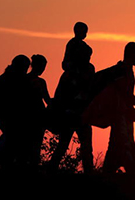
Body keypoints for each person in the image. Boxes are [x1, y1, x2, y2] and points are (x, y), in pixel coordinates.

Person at [86, 42, 135, 173]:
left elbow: (127, 94)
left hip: (124, 118)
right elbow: (126, 94)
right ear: (131, 54)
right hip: (120, 119)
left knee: (115, 156)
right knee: (131, 158)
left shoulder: (126, 71)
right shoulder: (121, 71)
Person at [48, 21, 95, 173]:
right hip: (70, 113)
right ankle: (52, 169)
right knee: (64, 143)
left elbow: (91, 90)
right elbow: (62, 95)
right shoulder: (69, 75)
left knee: (85, 144)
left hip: (82, 113)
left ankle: (89, 171)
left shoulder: (88, 70)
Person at [0, 55, 33, 170]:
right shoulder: (3, 79)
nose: (26, 69)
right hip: (4, 115)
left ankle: (9, 161)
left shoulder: (23, 80)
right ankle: (2, 156)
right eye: (24, 67)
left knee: (16, 140)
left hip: (16, 117)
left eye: (27, 67)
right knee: (12, 137)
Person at [24, 54, 52, 168]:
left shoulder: (41, 82)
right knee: (28, 146)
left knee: (36, 146)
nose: (42, 69)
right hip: (28, 117)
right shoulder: (25, 80)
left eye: (44, 67)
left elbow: (47, 100)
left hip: (39, 117)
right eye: (41, 66)